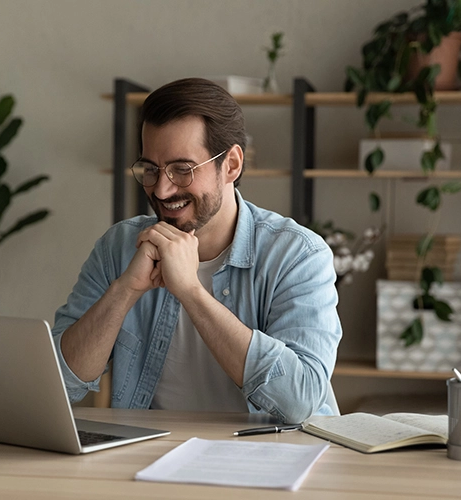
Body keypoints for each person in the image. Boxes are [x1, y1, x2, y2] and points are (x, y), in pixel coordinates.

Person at [52, 78, 341, 423]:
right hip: (147, 460)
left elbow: (301, 402)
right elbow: (60, 383)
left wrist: (190, 291)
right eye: (151, 169)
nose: (161, 189)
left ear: (232, 165)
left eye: (182, 170)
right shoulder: (119, 247)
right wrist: (126, 289)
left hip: (272, 462)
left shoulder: (298, 255)